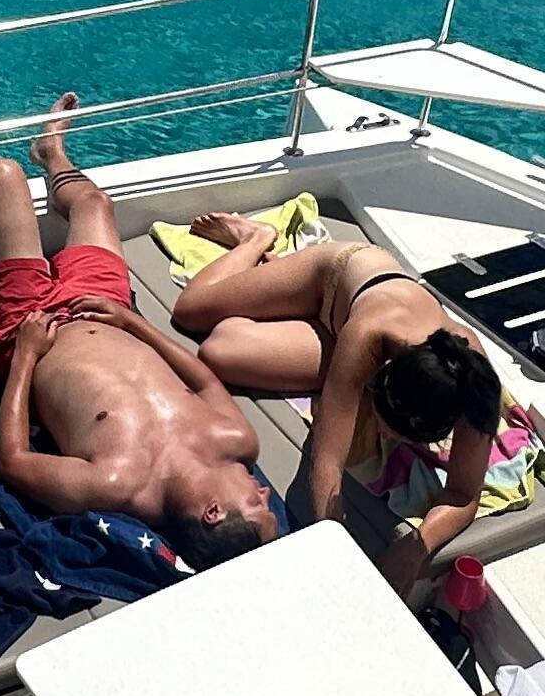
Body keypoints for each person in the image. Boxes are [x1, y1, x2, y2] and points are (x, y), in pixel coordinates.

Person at [0, 98, 281, 560]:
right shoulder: (238, 442)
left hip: (31, 324)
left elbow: (12, 461)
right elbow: (204, 381)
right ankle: (52, 154)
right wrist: (133, 321)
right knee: (95, 203)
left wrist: (26, 354)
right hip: (107, 308)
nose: (265, 491)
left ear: (212, 512)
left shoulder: (116, 484)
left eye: (257, 504)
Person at [173, 212, 507, 593]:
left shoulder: (474, 389)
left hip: (349, 328)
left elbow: (464, 494)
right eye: (386, 424)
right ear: (380, 377)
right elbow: (327, 460)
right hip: (334, 280)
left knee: (224, 348)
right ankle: (256, 239)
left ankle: (282, 300)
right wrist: (331, 539)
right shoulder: (369, 336)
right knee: (194, 314)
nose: (385, 436)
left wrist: (416, 548)